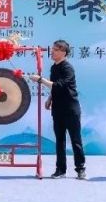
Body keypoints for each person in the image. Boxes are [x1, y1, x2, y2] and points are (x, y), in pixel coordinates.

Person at [29, 40, 86, 180]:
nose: (52, 51)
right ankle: (60, 170)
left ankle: (80, 169)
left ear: (63, 52)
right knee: (60, 140)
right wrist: (50, 99)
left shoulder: (68, 68)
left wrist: (40, 80)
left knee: (75, 140)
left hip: (71, 109)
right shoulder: (54, 68)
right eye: (52, 49)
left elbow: (60, 85)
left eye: (55, 49)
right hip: (58, 109)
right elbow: (55, 88)